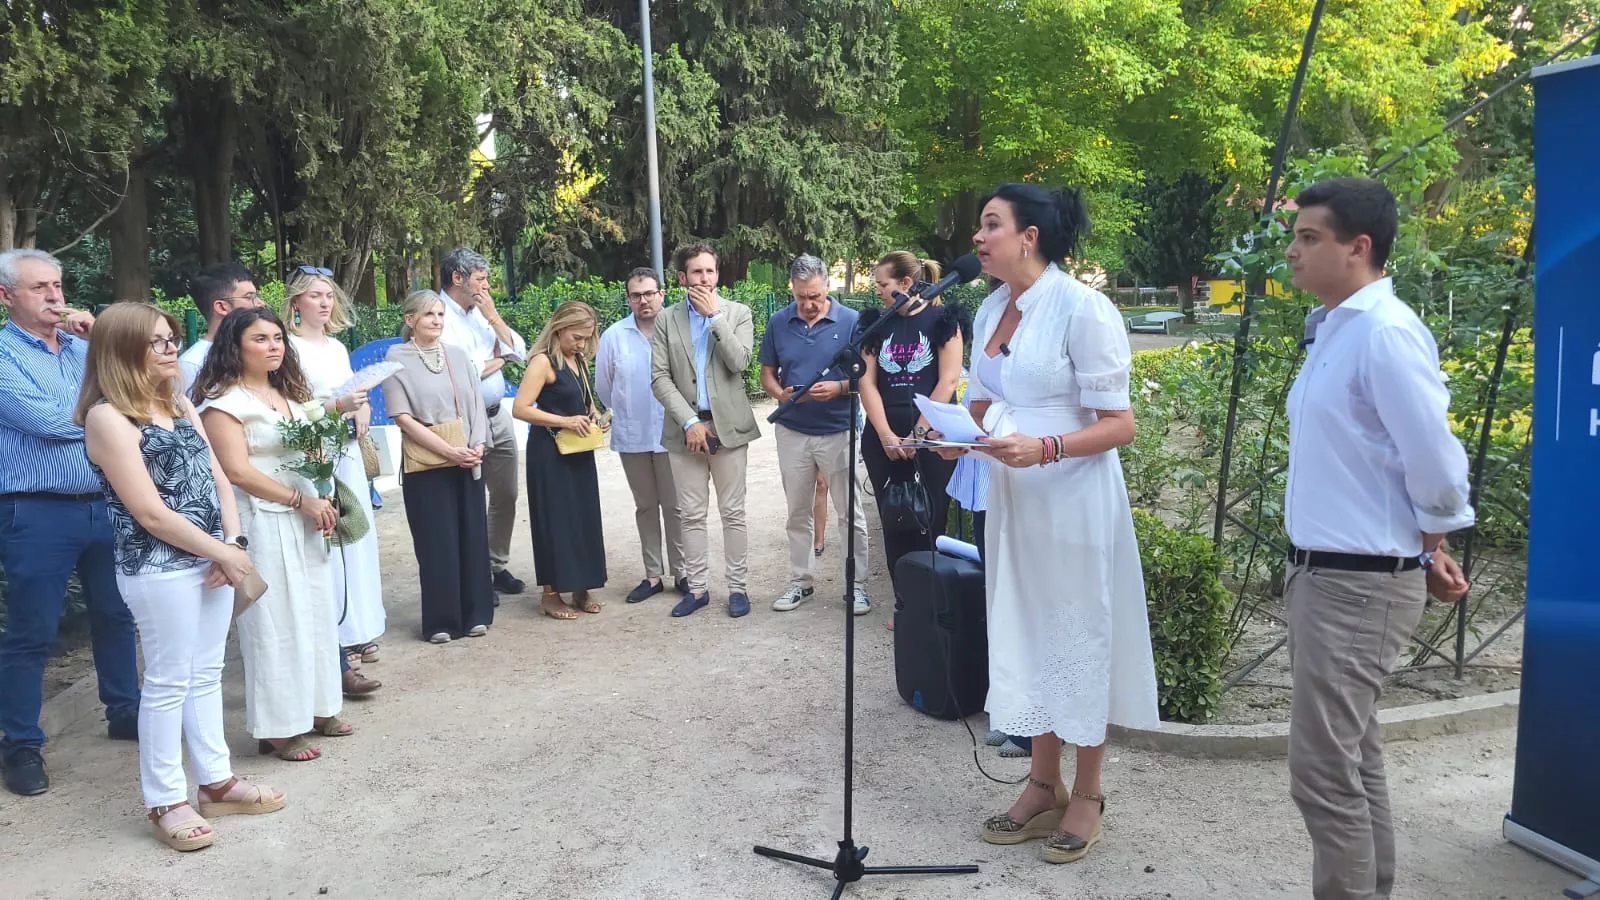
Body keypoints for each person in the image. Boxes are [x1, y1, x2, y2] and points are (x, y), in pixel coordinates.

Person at [934, 183, 1160, 864]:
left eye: (991, 225)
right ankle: (1041, 784)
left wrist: (1048, 447)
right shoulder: (992, 306)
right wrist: (954, 436)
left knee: (1075, 633)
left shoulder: (1083, 308)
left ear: (1029, 236)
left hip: (1072, 498)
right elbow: (982, 402)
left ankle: (1087, 794)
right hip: (1014, 498)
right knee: (1027, 629)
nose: (978, 237)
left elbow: (1120, 424)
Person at [1280, 177, 1472, 900]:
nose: (1293, 252)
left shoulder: (1385, 332)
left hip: (1357, 584)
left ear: (1359, 247)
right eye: (1294, 237)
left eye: (1309, 238)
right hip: (1328, 576)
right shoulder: (1336, 329)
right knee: (1352, 761)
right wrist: (1427, 548)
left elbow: (1437, 463)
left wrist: (1430, 543)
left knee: (1323, 772)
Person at [78, 301, 285, 851]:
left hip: (213, 559)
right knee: (168, 681)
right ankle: (166, 799)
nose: (171, 348)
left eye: (171, 339)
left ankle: (216, 781)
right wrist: (223, 552)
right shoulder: (107, 417)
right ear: (123, 350)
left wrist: (232, 545)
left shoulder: (178, 402)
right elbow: (149, 512)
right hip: (157, 567)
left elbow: (218, 479)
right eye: (158, 341)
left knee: (206, 672)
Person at [0, 249, 141, 797]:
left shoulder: (84, 349)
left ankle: (125, 712)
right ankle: (20, 744)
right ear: (6, 296)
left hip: (104, 500)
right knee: (33, 630)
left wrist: (101, 337)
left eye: (57, 285)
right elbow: (46, 420)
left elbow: (141, 385)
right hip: (36, 509)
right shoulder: (4, 354)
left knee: (117, 614)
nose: (55, 296)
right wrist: (112, 416)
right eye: (39, 287)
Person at [194, 308, 350, 762]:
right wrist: (299, 500)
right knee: (275, 620)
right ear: (235, 346)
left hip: (307, 513)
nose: (274, 346)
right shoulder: (223, 404)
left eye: (278, 338)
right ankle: (279, 728)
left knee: (315, 610)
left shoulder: (291, 393)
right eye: (260, 339)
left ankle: (319, 705)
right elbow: (236, 471)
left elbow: (312, 446)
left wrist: (321, 487)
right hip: (263, 518)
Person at [284, 267, 386, 692]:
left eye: (328, 295)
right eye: (315, 295)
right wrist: (338, 405)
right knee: (329, 540)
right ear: (296, 302)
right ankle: (338, 636)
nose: (324, 303)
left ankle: (359, 626)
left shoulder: (338, 346)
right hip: (315, 450)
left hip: (347, 448)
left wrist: (362, 408)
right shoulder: (288, 346)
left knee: (355, 534)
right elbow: (295, 404)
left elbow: (353, 391)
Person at [649, 243, 760, 619]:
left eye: (710, 271)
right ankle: (697, 589)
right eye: (697, 272)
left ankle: (738, 588)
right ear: (682, 277)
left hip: (729, 427)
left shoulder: (738, 313)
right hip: (686, 429)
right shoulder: (666, 319)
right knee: (691, 514)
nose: (704, 279)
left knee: (733, 512)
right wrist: (690, 422)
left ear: (717, 275)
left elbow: (740, 362)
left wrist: (715, 317)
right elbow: (659, 377)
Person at [857, 251, 968, 620]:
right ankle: (904, 604)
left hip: (932, 438)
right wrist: (886, 434)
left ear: (905, 283)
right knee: (895, 520)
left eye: (883, 283)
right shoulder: (875, 324)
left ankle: (931, 604)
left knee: (930, 519)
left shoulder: (943, 320)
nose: (876, 290)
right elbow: (867, 383)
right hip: (883, 439)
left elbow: (948, 381)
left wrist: (917, 434)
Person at [759, 254, 870, 615]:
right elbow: (767, 373)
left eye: (815, 296)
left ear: (828, 287)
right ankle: (801, 581)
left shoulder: (852, 321)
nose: (808, 304)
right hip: (793, 430)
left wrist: (839, 388)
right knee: (797, 511)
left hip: (839, 429)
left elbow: (867, 377)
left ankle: (857, 586)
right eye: (801, 297)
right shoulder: (778, 322)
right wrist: (780, 394)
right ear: (792, 289)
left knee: (850, 511)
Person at [380, 291, 494, 644]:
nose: (437, 320)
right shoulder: (395, 358)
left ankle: (476, 613)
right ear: (410, 319)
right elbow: (403, 417)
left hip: (467, 456)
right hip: (429, 464)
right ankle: (442, 620)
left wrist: (477, 445)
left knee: (472, 536)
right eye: (429, 314)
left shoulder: (456, 354)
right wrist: (448, 451)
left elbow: (476, 404)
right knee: (436, 542)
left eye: (441, 314)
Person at [438, 248, 528, 598]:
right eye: (481, 279)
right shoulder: (439, 313)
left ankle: (495, 565)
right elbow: (466, 372)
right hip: (463, 420)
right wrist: (499, 359)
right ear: (457, 278)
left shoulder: (480, 313)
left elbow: (519, 350)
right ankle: (475, 576)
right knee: (470, 498)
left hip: (496, 413)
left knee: (506, 493)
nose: (487, 286)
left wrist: (493, 317)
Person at [595, 267, 688, 604]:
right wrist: (627, 410)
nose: (644, 300)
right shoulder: (614, 336)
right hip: (633, 434)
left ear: (662, 294)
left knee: (676, 507)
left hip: (672, 433)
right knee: (645, 506)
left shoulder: (678, 330)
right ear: (628, 299)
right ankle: (652, 575)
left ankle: (683, 573)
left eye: (649, 293)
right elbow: (604, 386)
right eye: (636, 295)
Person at [512, 302, 609, 619]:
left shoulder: (578, 360)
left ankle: (582, 586)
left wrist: (596, 417)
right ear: (559, 328)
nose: (581, 343)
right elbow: (520, 408)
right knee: (554, 520)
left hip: (578, 450)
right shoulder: (542, 362)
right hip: (549, 453)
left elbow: (585, 403)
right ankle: (550, 595)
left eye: (587, 337)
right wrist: (565, 421)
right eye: (576, 337)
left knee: (583, 517)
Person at [178, 262, 264, 395]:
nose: (261, 303)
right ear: (221, 307)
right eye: (249, 297)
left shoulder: (257, 351)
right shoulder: (192, 364)